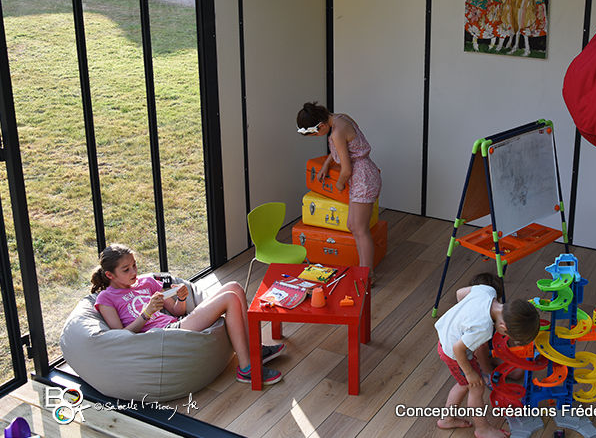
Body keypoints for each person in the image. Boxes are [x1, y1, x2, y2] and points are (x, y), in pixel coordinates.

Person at [91, 244, 285, 386]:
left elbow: (177, 311)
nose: (134, 271)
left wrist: (181, 298)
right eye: (126, 269)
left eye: (134, 265)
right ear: (110, 275)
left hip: (178, 324)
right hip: (162, 335)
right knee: (230, 299)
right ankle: (246, 369)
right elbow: (119, 338)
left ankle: (252, 349)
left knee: (234, 287)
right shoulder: (106, 299)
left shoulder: (146, 283)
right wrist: (146, 314)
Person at [434, 274, 540, 437]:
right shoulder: (482, 328)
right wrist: (470, 374)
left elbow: (460, 293)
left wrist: (465, 316)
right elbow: (457, 349)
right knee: (474, 387)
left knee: (465, 384)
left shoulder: (487, 291)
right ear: (504, 327)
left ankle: (447, 418)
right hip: (453, 352)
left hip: (446, 334)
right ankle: (482, 429)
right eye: (510, 337)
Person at [296, 102, 382, 283]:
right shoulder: (340, 118)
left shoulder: (336, 132)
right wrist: (326, 165)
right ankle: (364, 268)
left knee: (360, 229)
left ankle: (368, 275)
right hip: (363, 175)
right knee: (353, 225)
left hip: (362, 178)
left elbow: (346, 170)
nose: (317, 136)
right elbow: (342, 150)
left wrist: (340, 185)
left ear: (321, 126)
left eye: (316, 133)